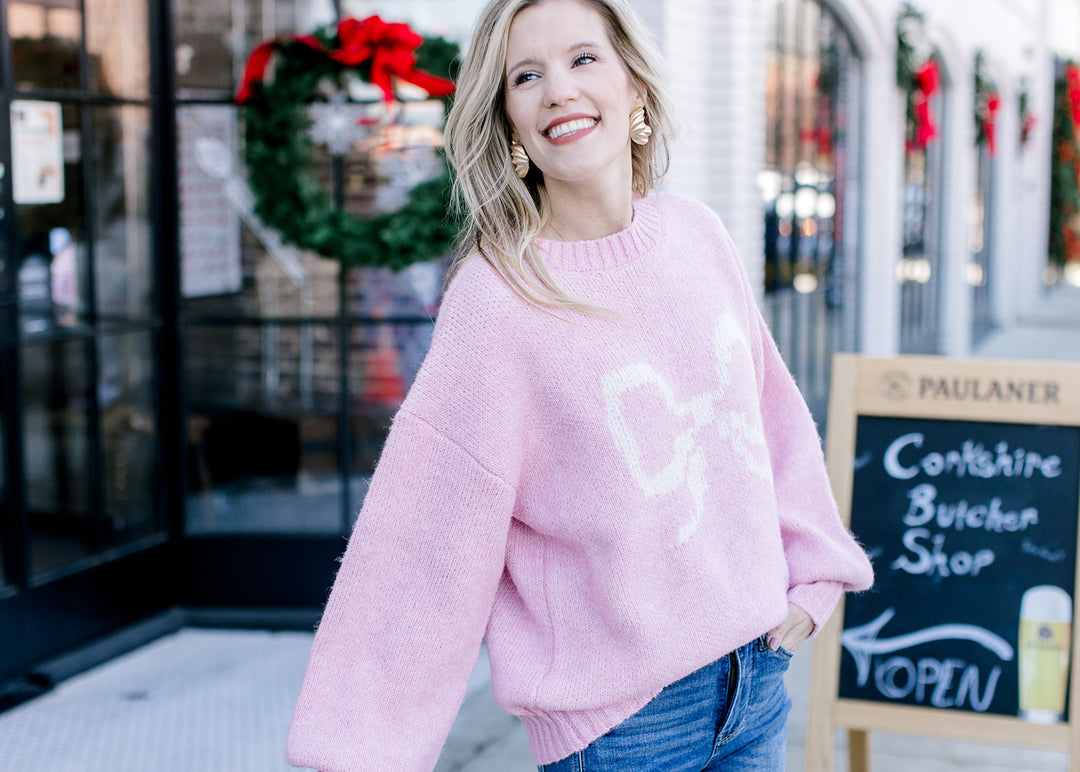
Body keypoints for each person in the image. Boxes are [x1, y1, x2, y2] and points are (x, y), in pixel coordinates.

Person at [286, 0, 874, 770]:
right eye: (525, 76)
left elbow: (770, 420)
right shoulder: (499, 301)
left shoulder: (699, 235)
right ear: (510, 124)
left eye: (583, 59)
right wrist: (355, 751)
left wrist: (816, 571)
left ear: (633, 85)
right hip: (625, 733)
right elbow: (426, 534)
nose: (557, 89)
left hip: (756, 684)